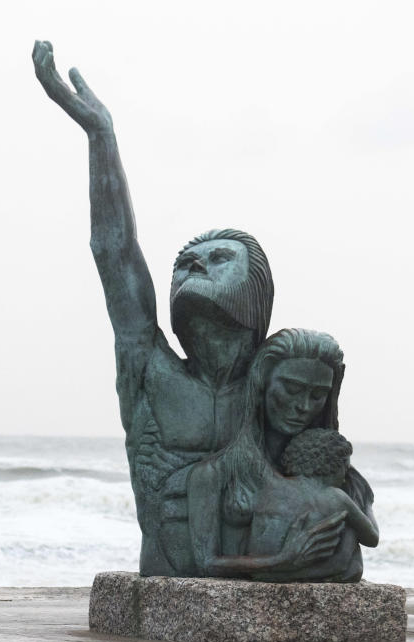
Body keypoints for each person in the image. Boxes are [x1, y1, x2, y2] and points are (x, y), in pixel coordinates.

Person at [32, 40, 282, 575]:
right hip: (167, 564)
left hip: (256, 568)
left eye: (218, 259)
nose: (193, 266)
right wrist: (102, 137)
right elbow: (114, 252)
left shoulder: (277, 384)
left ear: (257, 289)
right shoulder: (150, 366)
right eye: (185, 261)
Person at [185, 328, 374, 580]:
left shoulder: (345, 480)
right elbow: (205, 563)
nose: (304, 406)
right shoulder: (213, 475)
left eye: (318, 395)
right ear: (262, 383)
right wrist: (283, 560)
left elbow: (354, 559)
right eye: (292, 388)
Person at [243, 428, 379, 582]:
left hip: (261, 564)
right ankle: (287, 575)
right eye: (345, 471)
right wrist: (366, 499)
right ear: (332, 466)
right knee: (353, 554)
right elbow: (372, 538)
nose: (344, 480)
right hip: (318, 568)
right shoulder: (334, 497)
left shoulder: (270, 491)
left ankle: (278, 574)